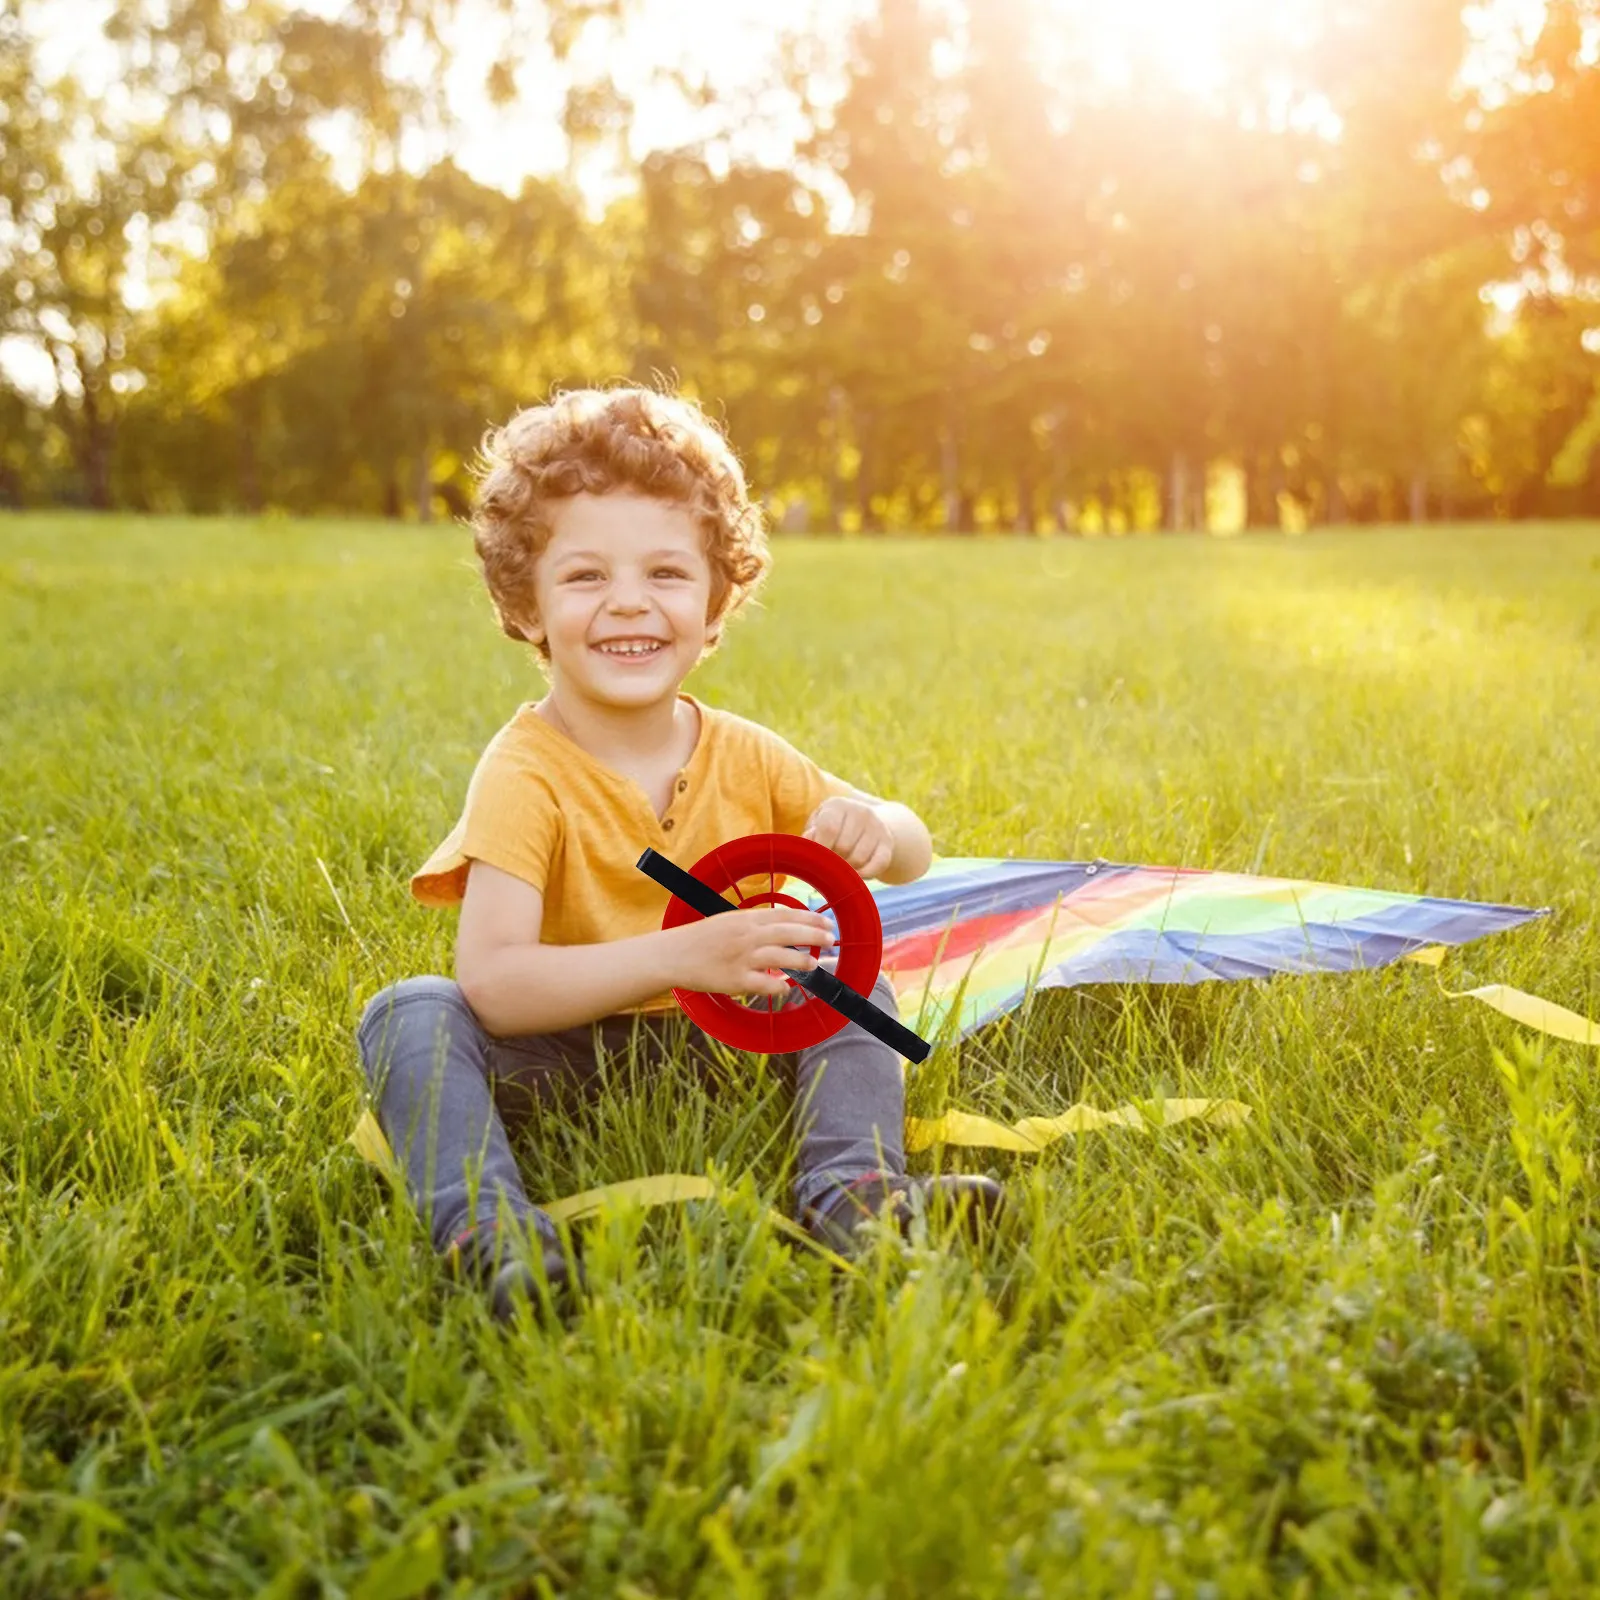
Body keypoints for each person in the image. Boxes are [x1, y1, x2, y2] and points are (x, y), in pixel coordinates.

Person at [357, 386, 1004, 1320]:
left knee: (845, 977)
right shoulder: (524, 773)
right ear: (526, 605)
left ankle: (855, 1198)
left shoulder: (746, 752)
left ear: (713, 608)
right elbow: (494, 983)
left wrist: (882, 826)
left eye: (666, 573)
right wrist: (678, 956)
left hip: (731, 1041)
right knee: (409, 1014)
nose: (629, 602)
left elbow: (912, 854)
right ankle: (490, 1234)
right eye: (585, 578)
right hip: (566, 1052)